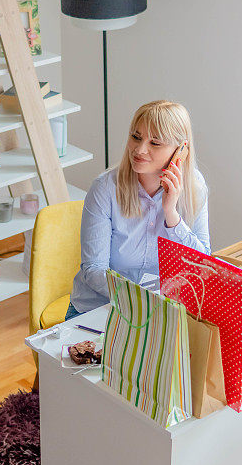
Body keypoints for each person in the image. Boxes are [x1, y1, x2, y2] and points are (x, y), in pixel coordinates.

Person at [67, 100, 210, 320]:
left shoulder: (194, 188)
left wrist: (172, 215)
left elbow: (203, 264)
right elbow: (94, 270)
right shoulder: (105, 189)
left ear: (180, 150)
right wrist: (143, 304)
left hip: (159, 313)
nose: (140, 149)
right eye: (136, 137)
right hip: (101, 309)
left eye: (155, 143)